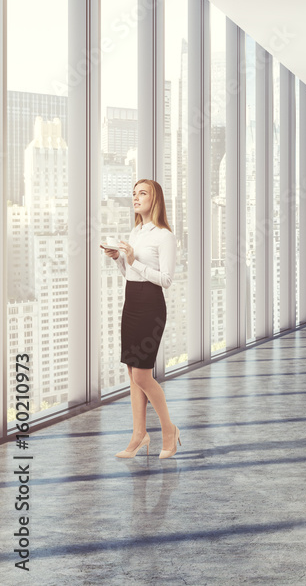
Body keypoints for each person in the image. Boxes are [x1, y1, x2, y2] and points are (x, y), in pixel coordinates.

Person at [101, 179, 181, 459]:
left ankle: (169, 430)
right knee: (132, 375)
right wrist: (119, 259)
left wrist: (134, 261)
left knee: (143, 376)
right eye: (133, 193)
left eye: (142, 193)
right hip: (131, 303)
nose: (136, 198)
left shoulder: (164, 236)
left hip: (150, 306)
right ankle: (139, 435)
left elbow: (167, 280)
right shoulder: (135, 232)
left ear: (155, 198)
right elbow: (130, 273)